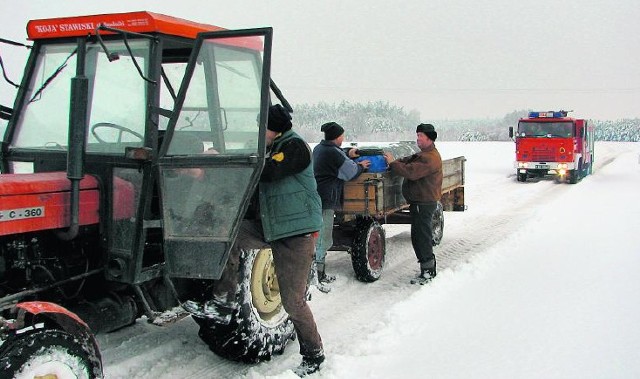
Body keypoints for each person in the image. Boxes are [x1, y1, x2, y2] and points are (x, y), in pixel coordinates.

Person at [212, 104, 325, 376]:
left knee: (293, 302)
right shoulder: (272, 147)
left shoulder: (295, 148)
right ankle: (224, 297)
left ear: (273, 127)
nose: (258, 132)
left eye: (261, 126)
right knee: (230, 235)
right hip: (271, 226)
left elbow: (268, 172)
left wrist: (233, 163)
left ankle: (314, 353)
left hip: (296, 234)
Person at [312, 122, 370, 292]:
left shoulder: (319, 148)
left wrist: (348, 153)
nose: (343, 139)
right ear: (338, 137)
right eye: (342, 136)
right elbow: (350, 172)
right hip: (326, 198)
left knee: (317, 235)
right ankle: (318, 275)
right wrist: (361, 166)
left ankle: (317, 272)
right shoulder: (333, 153)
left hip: (316, 197)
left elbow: (336, 155)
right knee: (323, 237)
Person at [383, 123, 443, 285]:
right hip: (420, 202)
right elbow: (411, 160)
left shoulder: (430, 158)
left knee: (421, 237)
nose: (417, 139)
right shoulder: (426, 154)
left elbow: (411, 172)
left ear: (429, 138)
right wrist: (398, 160)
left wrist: (392, 163)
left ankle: (428, 271)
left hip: (423, 203)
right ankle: (427, 269)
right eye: (417, 136)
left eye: (420, 136)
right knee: (419, 236)